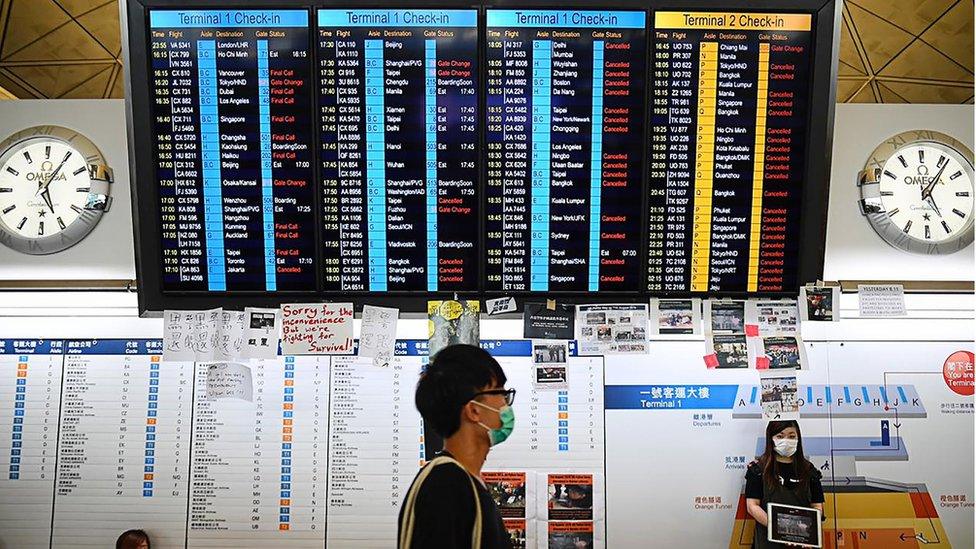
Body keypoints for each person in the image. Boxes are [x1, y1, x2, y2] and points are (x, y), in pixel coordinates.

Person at [398, 344, 515, 549]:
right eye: (501, 394)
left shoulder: (465, 481)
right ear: (473, 411)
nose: (506, 405)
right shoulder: (446, 484)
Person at [745, 420, 825, 548]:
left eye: (792, 436)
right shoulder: (758, 469)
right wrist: (779, 529)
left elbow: (817, 506)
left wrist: (810, 530)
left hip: (802, 541)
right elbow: (752, 506)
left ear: (798, 438)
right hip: (768, 542)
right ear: (771, 438)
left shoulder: (809, 470)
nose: (786, 440)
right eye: (780, 436)